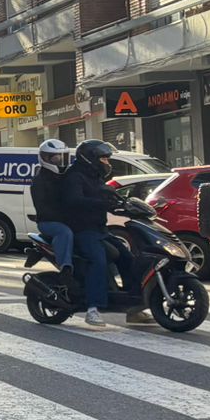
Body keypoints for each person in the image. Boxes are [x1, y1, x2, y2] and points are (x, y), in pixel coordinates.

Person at [61, 140, 130, 327]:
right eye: (104, 158)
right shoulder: (74, 177)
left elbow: (106, 195)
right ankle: (93, 308)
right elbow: (74, 200)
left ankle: (133, 307)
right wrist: (101, 203)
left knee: (127, 256)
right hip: (83, 229)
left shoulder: (95, 177)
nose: (107, 162)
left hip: (100, 228)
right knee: (97, 260)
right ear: (91, 158)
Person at [29, 139, 74, 276]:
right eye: (55, 158)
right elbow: (43, 208)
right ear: (45, 158)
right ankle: (65, 266)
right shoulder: (39, 181)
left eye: (62, 157)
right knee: (64, 232)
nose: (60, 161)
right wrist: (65, 217)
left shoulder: (67, 176)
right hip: (48, 222)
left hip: (67, 219)